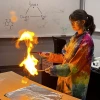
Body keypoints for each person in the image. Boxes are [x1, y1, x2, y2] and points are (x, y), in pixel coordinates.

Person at [39, 9, 95, 99]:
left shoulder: (86, 42)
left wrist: (54, 69)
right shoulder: (74, 38)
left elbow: (74, 66)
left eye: (74, 22)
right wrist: (50, 56)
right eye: (71, 22)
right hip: (65, 80)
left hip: (75, 83)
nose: (72, 24)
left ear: (83, 22)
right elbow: (64, 57)